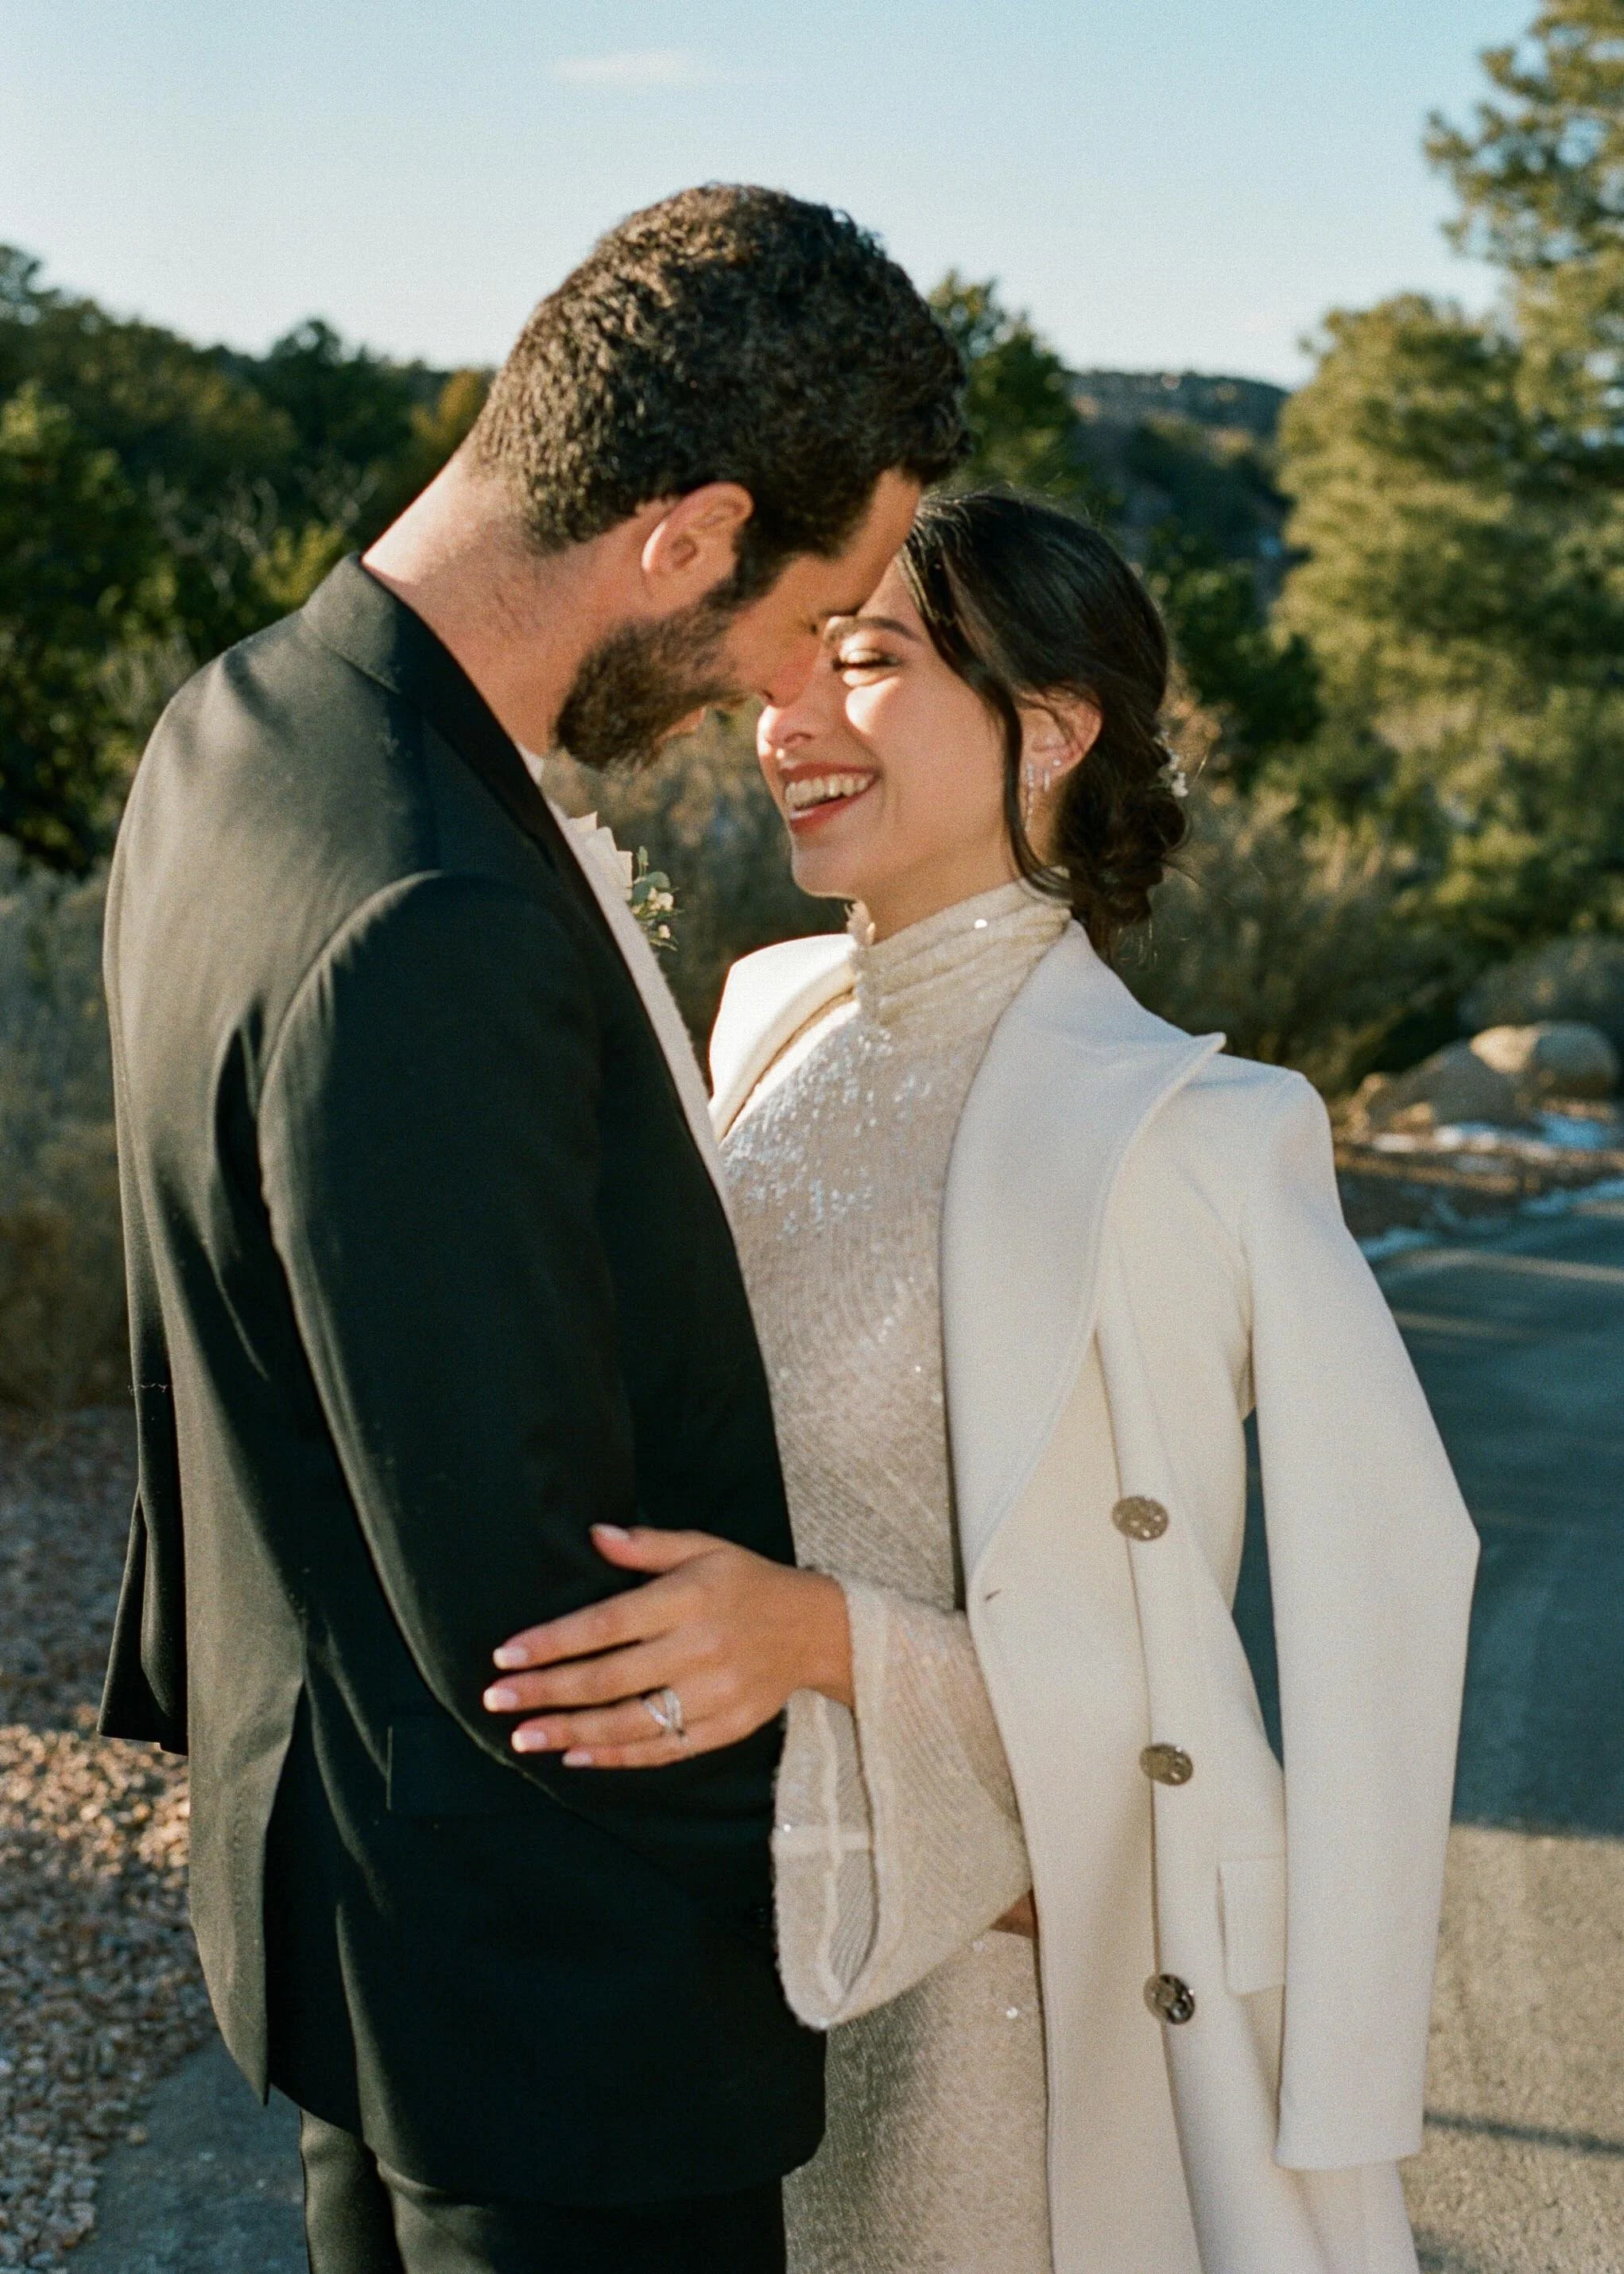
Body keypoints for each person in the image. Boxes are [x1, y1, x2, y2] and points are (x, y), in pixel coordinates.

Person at [97, 186, 965, 2274]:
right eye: (798, 610)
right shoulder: (436, 915)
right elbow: (545, 1629)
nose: (781, 684)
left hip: (352, 1914)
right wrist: (910, 1835)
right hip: (553, 2019)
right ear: (682, 535)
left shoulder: (236, 729)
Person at [486, 491, 1479, 2274]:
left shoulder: (1199, 1138)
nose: (788, 720)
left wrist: (814, 1638)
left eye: (864, 663)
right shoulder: (763, 1013)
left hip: (1007, 2002)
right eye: (785, 667)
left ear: (1051, 725)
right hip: (717, 1923)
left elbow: (1377, 1591)